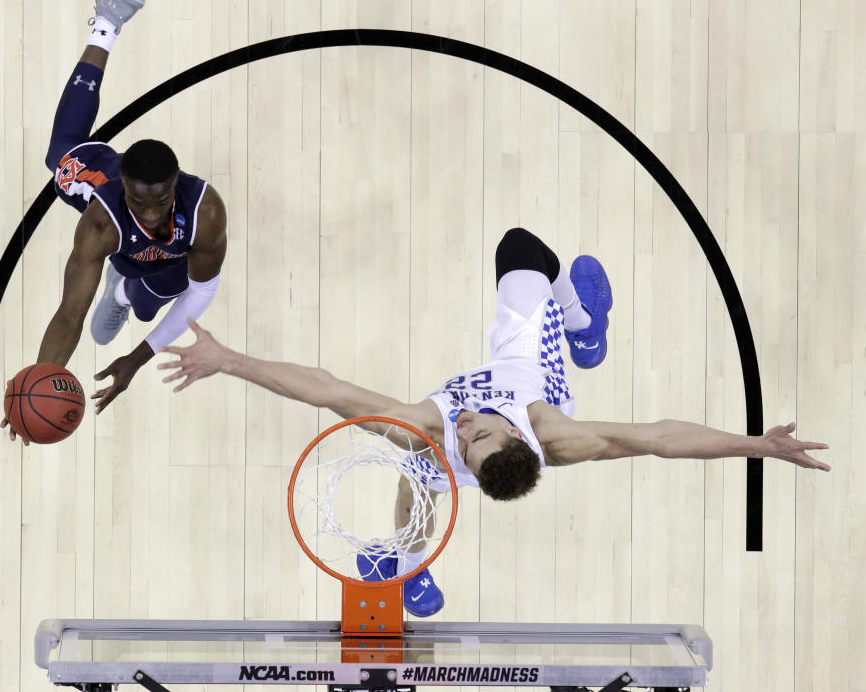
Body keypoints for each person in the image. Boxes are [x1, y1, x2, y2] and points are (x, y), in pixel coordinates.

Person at [159, 245, 828, 610]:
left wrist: (229, 362)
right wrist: (754, 444)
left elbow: (329, 390)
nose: (466, 428)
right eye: (478, 436)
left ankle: (410, 565)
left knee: (417, 463)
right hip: (525, 366)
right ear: (512, 437)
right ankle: (584, 327)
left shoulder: (440, 431)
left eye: (467, 443)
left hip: (442, 443)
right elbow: (658, 438)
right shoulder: (552, 430)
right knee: (522, 249)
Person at [2, 0, 228, 443]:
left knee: (145, 302)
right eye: (138, 202)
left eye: (160, 201)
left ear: (176, 185)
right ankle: (110, 19)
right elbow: (68, 313)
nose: (149, 213)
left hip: (170, 265)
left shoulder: (205, 213)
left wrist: (137, 358)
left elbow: (202, 293)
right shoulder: (100, 222)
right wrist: (37, 385)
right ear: (120, 180)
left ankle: (121, 294)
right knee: (60, 158)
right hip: (113, 229)